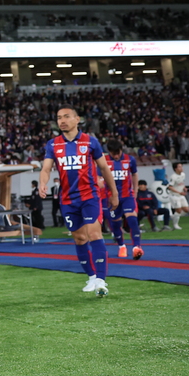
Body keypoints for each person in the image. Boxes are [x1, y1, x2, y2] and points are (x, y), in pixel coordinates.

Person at [38, 107, 119, 296]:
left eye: (66, 117)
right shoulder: (53, 144)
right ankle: (91, 276)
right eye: (59, 117)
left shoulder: (90, 141)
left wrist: (113, 192)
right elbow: (46, 169)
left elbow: (104, 168)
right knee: (80, 238)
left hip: (90, 196)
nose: (62, 121)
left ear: (77, 119)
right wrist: (42, 183)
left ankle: (101, 280)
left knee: (94, 233)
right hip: (67, 199)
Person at [104, 139, 142, 260]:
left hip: (127, 195)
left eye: (118, 153)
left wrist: (135, 190)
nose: (116, 156)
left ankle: (136, 247)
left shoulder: (130, 159)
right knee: (115, 223)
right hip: (111, 198)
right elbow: (99, 177)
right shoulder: (104, 161)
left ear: (121, 150)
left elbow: (134, 174)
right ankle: (121, 246)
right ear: (109, 151)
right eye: (113, 153)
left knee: (132, 219)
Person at [166, 162, 189, 229]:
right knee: (178, 210)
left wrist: (184, 188)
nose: (181, 168)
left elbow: (182, 183)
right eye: (179, 167)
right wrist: (179, 192)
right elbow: (170, 187)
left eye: (181, 166)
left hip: (181, 195)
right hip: (174, 196)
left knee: (187, 210)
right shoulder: (173, 177)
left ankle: (174, 217)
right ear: (175, 169)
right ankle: (175, 225)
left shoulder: (183, 174)